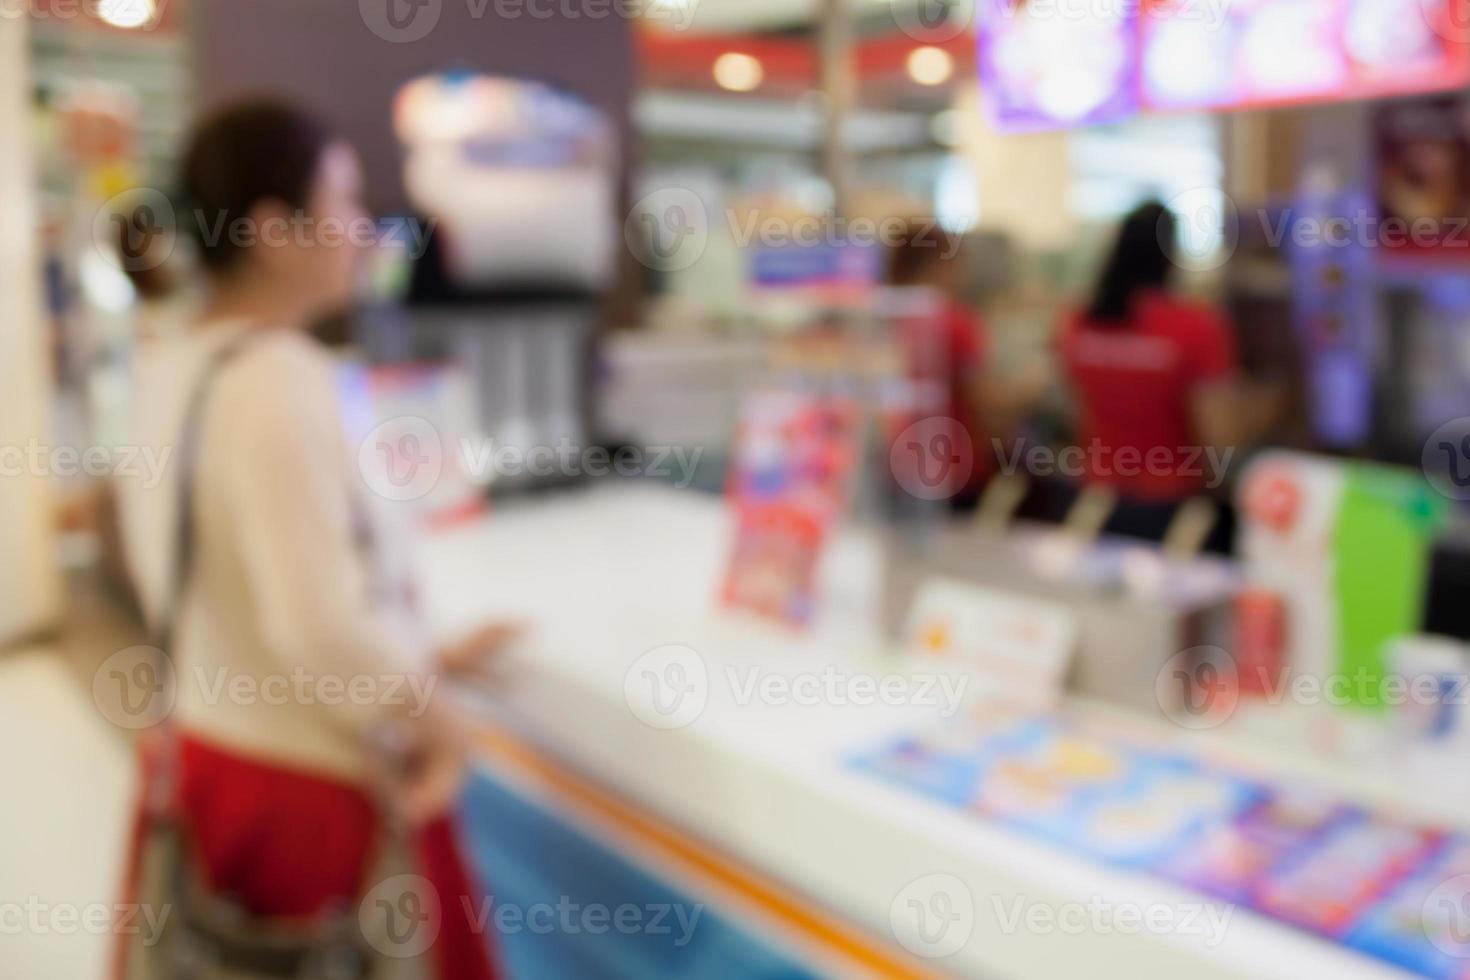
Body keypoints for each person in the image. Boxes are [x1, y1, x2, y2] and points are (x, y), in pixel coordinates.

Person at [113, 100, 509, 979]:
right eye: (344, 203)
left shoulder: (174, 361)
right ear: (272, 230)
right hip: (309, 798)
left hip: (210, 763)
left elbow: (232, 590)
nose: (363, 231)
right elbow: (315, 624)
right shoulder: (281, 382)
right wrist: (444, 729)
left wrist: (425, 654)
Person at [1058, 200, 1277, 552]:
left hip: (1093, 503)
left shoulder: (1077, 323)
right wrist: (1269, 406)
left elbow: (1076, 410)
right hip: (1172, 516)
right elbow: (1220, 438)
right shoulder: (1195, 327)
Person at [887, 222, 1041, 511]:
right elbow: (983, 400)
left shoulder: (880, 317)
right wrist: (1029, 390)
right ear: (942, 262)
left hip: (892, 466)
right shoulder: (955, 322)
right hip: (951, 468)